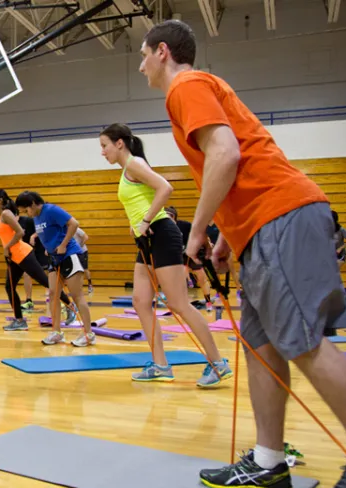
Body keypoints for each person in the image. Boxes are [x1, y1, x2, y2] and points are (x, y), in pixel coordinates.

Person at [140, 19, 346, 488]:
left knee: (302, 342)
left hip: (280, 214)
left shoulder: (187, 85)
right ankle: (268, 462)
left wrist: (199, 231)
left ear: (162, 52)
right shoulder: (198, 88)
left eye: (143, 57)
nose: (141, 68)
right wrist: (228, 237)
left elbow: (225, 154)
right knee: (262, 346)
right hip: (261, 227)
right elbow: (227, 162)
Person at [100, 123, 231, 386]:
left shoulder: (134, 164)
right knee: (140, 301)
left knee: (179, 304)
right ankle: (160, 365)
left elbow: (165, 188)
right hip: (147, 240)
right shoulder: (129, 170)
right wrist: (136, 223)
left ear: (119, 143)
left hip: (161, 233)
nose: (102, 152)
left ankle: (218, 362)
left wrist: (146, 220)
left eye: (104, 146)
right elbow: (143, 199)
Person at [15, 191, 95, 347]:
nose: (27, 214)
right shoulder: (37, 217)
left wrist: (63, 245)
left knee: (77, 296)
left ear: (32, 204)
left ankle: (88, 334)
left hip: (70, 256)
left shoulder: (51, 210)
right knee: (53, 294)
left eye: (26, 210)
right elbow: (48, 234)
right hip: (54, 258)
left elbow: (74, 224)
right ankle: (57, 332)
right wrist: (48, 248)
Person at [0, 189, 77, 332]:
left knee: (45, 281)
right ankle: (19, 320)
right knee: (9, 287)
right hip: (14, 257)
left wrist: (7, 247)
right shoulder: (4, 214)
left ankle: (70, 307)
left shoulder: (6, 214)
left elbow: (20, 232)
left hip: (22, 254)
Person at [164, 206, 212, 308]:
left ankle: (208, 302)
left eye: (169, 217)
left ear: (174, 217)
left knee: (201, 278)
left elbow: (200, 233)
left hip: (192, 253)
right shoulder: (163, 229)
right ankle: (181, 301)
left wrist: (207, 244)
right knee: (180, 277)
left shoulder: (185, 226)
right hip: (178, 256)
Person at [73, 227, 94, 294]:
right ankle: (77, 287)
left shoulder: (77, 229)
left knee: (85, 269)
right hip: (74, 252)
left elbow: (86, 237)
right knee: (76, 270)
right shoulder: (66, 230)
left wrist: (80, 245)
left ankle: (90, 285)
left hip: (82, 252)